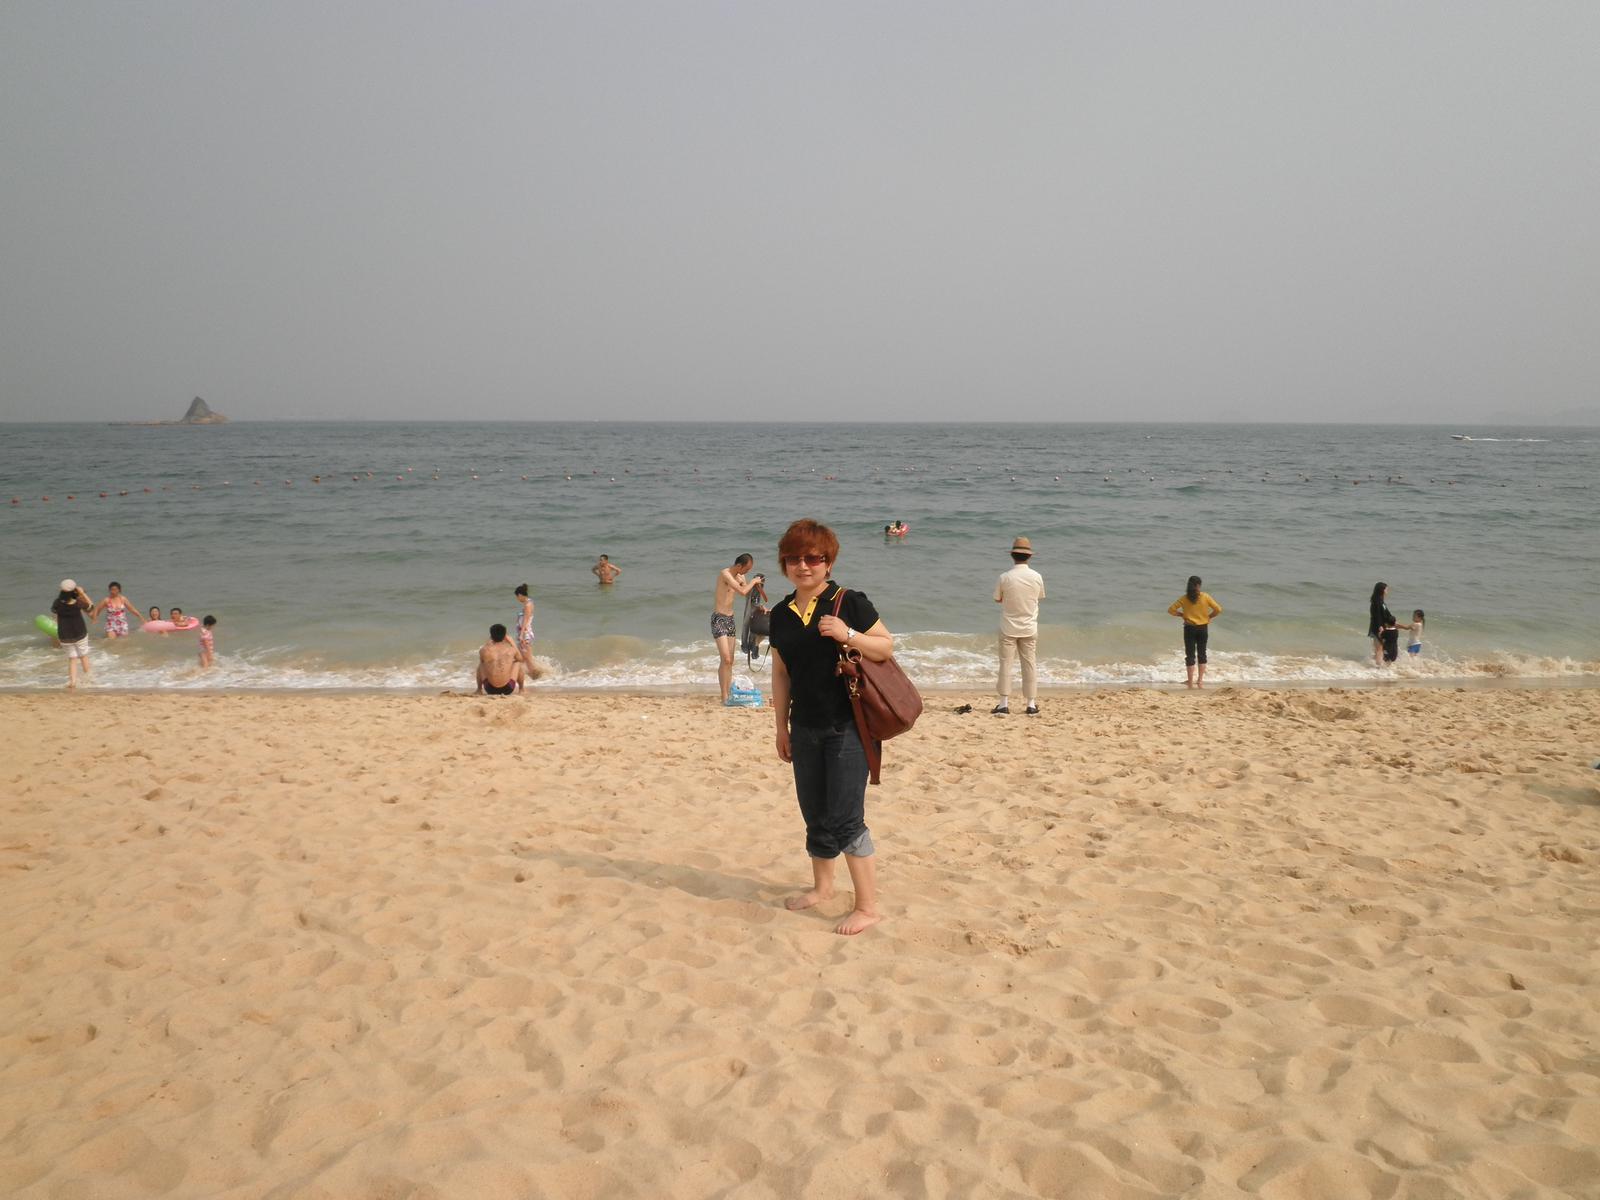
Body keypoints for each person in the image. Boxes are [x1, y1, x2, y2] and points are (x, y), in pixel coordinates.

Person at [768, 519, 893, 936]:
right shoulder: (781, 614)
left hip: (847, 726)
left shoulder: (848, 602)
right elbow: (781, 673)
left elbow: (885, 647)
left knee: (845, 818)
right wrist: (781, 727)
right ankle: (822, 888)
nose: (803, 566)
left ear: (828, 562)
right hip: (804, 726)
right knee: (815, 814)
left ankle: (868, 907)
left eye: (812, 558)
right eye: (793, 558)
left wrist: (848, 633)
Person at [993, 536, 1046, 715]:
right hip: (1029, 627)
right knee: (1029, 664)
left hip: (1008, 627)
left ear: (1012, 556)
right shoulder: (1037, 577)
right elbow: (1039, 597)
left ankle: (1003, 704)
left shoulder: (1005, 577)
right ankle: (1031, 704)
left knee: (1005, 664)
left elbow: (997, 599)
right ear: (1029, 556)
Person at [713, 554, 765, 702]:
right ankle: (724, 696)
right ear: (738, 566)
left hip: (730, 619)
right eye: (746, 569)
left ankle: (727, 693)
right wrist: (753, 581)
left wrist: (759, 606)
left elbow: (746, 594)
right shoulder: (725, 574)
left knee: (730, 661)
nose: (747, 572)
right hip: (718, 619)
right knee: (725, 658)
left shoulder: (740, 577)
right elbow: (742, 591)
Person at [1168, 575, 1223, 688]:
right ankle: (1200, 680)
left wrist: (1182, 615)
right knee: (1202, 653)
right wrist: (1209, 617)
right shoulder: (1205, 596)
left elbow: (1171, 610)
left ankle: (1190, 681)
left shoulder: (1184, 598)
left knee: (1190, 655)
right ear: (1199, 585)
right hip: (1203, 628)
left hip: (1189, 628)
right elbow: (1218, 609)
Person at [51, 580, 94, 689]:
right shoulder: (78, 602)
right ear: (74, 590)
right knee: (83, 656)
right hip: (80, 633)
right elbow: (91, 607)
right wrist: (82, 593)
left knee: (72, 658)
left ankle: (73, 682)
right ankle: (89, 680)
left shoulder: (57, 603)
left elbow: (56, 618)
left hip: (64, 635)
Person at [475, 624, 525, 696]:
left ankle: (479, 690)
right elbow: (521, 659)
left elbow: (482, 660)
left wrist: (488, 642)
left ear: (491, 636)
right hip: (508, 688)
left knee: (481, 664)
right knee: (517, 663)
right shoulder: (511, 649)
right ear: (505, 636)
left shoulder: (484, 650)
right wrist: (512, 642)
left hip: (489, 688)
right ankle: (521, 689)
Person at [512, 584, 543, 686]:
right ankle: (528, 676)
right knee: (522, 657)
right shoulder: (528, 603)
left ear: (520, 595)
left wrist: (521, 635)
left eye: (517, 597)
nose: (517, 599)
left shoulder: (528, 605)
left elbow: (525, 621)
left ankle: (537, 677)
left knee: (527, 658)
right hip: (524, 634)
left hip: (525, 634)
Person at [1368, 582, 1398, 667]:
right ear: (1382, 590)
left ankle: (1377, 665)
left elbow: (1387, 614)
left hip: (1381, 626)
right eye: (1386, 589)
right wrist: (1379, 627)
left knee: (1379, 647)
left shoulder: (1381, 601)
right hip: (1377, 627)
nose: (1387, 590)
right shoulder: (1377, 602)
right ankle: (1378, 667)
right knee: (1379, 648)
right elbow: (1376, 616)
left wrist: (1394, 622)